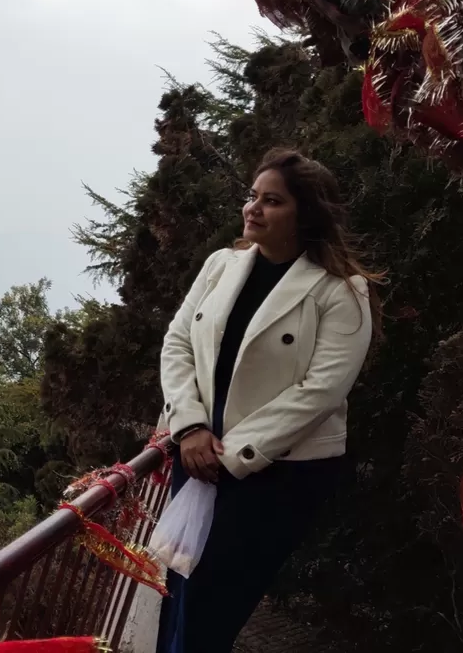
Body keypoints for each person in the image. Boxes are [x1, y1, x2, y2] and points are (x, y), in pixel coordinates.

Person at [155, 149, 380, 652]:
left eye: (271, 201)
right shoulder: (221, 266)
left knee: (213, 603)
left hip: (276, 472)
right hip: (198, 453)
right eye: (252, 197)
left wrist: (232, 457)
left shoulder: (341, 292)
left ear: (307, 213)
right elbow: (177, 343)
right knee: (178, 587)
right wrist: (189, 427)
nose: (253, 208)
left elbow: (321, 391)